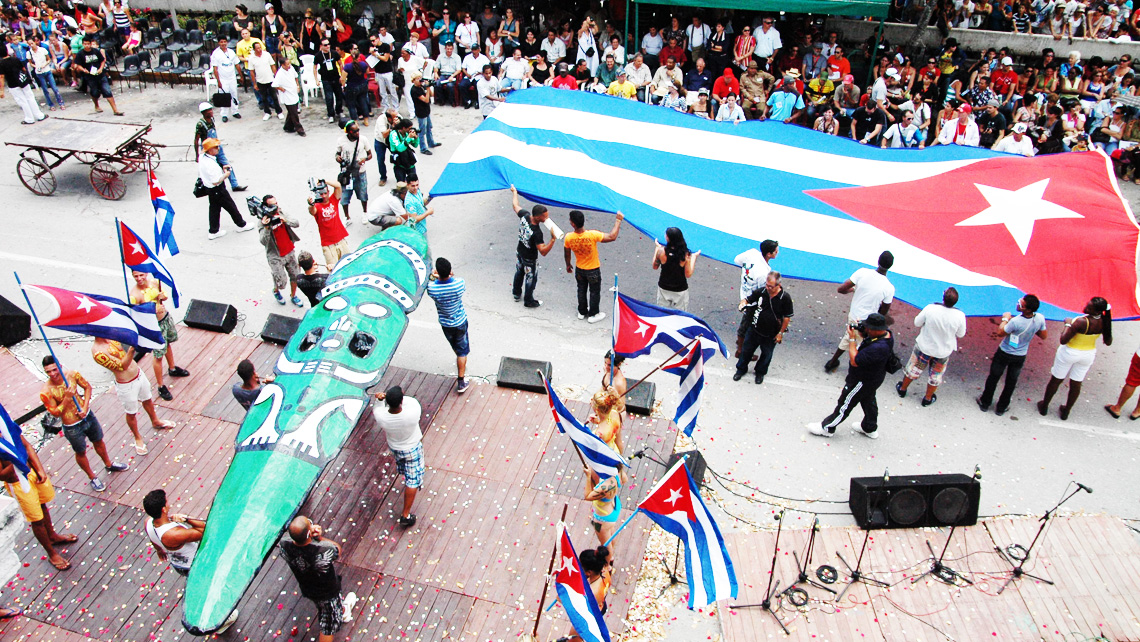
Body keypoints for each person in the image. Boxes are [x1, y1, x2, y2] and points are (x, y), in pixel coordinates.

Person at [39, 356, 128, 493]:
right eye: (48, 372)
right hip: (72, 426)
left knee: (99, 441)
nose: (52, 374)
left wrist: (85, 407)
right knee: (80, 451)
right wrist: (67, 399)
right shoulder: (46, 391)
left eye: (54, 370)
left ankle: (109, 464)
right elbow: (56, 413)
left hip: (87, 417)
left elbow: (87, 387)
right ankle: (92, 477)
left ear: (60, 366)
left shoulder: (72, 375)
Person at [810, 313, 894, 439]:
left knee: (846, 402)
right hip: (874, 378)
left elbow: (855, 360)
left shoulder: (878, 348)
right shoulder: (887, 335)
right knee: (868, 401)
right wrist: (863, 331)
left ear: (875, 330)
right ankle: (869, 427)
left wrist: (852, 339)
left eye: (868, 328)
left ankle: (827, 427)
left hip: (862, 380)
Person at [91, 336, 176, 455]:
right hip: (126, 384)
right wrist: (131, 350)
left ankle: (155, 421)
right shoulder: (98, 352)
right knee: (131, 413)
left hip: (138, 374)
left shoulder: (111, 336)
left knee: (148, 399)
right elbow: (122, 366)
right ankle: (137, 437)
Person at [0, 436, 76, 570]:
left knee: (43, 505)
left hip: (32, 474)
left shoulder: (6, 428)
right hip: (18, 484)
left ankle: (52, 536)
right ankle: (51, 553)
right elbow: (1, 475)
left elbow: (27, 446)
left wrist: (39, 468)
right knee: (37, 520)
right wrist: (16, 459)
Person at [1038, 297, 1113, 420]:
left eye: (1090, 307)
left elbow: (1063, 340)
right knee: (1076, 383)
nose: (1086, 307)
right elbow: (1108, 341)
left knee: (1056, 379)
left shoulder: (1081, 322)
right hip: (1088, 354)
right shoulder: (1105, 321)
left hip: (1069, 352)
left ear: (1097, 311)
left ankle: (1044, 406)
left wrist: (1068, 324)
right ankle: (1066, 411)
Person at [280, 516, 352, 642]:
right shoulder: (323, 550)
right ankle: (340, 612)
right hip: (328, 593)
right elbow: (337, 550)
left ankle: (341, 610)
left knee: (327, 607)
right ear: (309, 533)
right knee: (328, 625)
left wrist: (307, 536)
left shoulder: (284, 546)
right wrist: (319, 538)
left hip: (308, 588)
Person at [825, 252, 895, 374]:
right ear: (890, 266)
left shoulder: (862, 272)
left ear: (878, 260)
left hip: (854, 315)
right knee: (862, 344)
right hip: (869, 323)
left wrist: (853, 290)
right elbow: (884, 311)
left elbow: (842, 289)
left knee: (849, 336)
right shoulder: (889, 287)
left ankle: (833, 361)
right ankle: (855, 366)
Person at [895, 288, 967, 407]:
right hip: (943, 351)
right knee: (935, 375)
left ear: (943, 297)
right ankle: (927, 398)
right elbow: (960, 334)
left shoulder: (931, 308)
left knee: (913, 369)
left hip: (925, 346)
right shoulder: (960, 315)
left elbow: (917, 322)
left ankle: (902, 389)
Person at [978, 294, 1047, 416]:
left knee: (993, 377)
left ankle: (985, 402)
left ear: (1028, 309)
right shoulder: (1040, 318)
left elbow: (1000, 332)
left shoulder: (1015, 322)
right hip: (1020, 355)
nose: (1017, 305)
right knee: (1011, 382)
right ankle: (1001, 407)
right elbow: (1043, 335)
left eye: (1021, 305)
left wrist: (1005, 319)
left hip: (1004, 352)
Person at [129, 271, 189, 403]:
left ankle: (172, 368)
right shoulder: (135, 295)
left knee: (168, 344)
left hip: (165, 319)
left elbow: (163, 297)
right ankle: (161, 385)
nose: (139, 278)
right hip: (154, 326)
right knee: (158, 356)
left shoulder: (155, 282)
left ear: (146, 273)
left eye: (141, 275)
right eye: (136, 276)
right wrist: (151, 310)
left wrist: (163, 296)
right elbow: (135, 314)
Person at [371, 386, 423, 528]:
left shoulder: (381, 417)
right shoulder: (412, 411)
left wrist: (380, 400)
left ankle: (404, 472)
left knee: (404, 467)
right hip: (412, 448)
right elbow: (408, 401)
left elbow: (378, 408)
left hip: (395, 447)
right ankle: (405, 515)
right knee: (413, 479)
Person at [564, 210, 624, 323]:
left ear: (573, 224)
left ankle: (582, 312)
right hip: (593, 269)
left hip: (579, 269)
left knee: (581, 290)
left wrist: (568, 265)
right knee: (594, 292)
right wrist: (618, 220)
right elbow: (612, 236)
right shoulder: (592, 235)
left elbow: (567, 254)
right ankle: (593, 314)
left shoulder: (569, 237)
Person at [734, 271, 793, 385]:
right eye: (767, 285)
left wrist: (780, 333)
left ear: (778, 285)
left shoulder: (785, 298)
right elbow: (748, 299)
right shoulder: (762, 292)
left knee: (766, 354)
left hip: (771, 334)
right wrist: (743, 303)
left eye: (770, 286)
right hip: (755, 329)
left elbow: (786, 317)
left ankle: (760, 372)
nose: (768, 288)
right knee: (746, 351)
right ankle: (741, 369)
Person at [426, 258, 470, 394]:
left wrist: (434, 276)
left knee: (456, 347)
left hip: (446, 324)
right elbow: (456, 280)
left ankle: (459, 359)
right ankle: (461, 381)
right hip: (460, 322)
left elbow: (432, 282)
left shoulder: (432, 289)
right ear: (450, 270)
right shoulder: (459, 284)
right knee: (463, 351)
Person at [510, 185, 556, 308]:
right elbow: (543, 251)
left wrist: (514, 192)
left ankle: (516, 293)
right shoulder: (537, 232)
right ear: (537, 216)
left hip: (520, 251)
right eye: (544, 216)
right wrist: (552, 240)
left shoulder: (525, 216)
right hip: (530, 258)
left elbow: (515, 206)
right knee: (530, 278)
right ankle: (528, 301)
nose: (546, 218)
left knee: (519, 272)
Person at [197, 137, 251, 240]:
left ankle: (214, 230)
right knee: (231, 206)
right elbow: (216, 181)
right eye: (215, 147)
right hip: (217, 188)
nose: (218, 149)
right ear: (209, 150)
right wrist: (226, 174)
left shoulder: (203, 157)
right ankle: (241, 225)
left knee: (214, 209)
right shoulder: (210, 165)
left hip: (210, 189)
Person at [734, 239, 779, 358]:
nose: (777, 253)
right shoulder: (764, 273)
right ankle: (740, 350)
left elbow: (737, 260)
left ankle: (741, 345)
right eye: (775, 251)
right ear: (769, 254)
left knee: (747, 322)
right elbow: (761, 292)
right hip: (751, 302)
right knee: (747, 325)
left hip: (744, 293)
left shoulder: (752, 254)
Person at [256, 195, 302, 307]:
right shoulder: (262, 221)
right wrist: (267, 228)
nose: (276, 207)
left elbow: (296, 223)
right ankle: (276, 290)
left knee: (296, 276)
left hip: (289, 251)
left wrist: (285, 220)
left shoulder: (281, 213)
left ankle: (293, 295)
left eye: (276, 203)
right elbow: (263, 241)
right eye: (272, 205)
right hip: (275, 256)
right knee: (281, 283)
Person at [193, 103, 246, 192]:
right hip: (208, 149)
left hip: (216, 146)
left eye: (211, 110)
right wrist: (197, 155)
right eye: (208, 111)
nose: (211, 112)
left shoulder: (212, 119)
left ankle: (234, 185)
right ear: (204, 112)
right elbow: (196, 140)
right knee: (212, 168)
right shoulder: (200, 124)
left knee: (226, 164)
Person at [71, 34, 121, 115]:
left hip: (100, 75)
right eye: (85, 44)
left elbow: (102, 60)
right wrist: (83, 70)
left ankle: (115, 110)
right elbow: (78, 65)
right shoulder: (80, 54)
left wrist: (101, 69)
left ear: (90, 44)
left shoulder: (95, 51)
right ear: (83, 44)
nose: (87, 46)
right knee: (94, 92)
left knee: (107, 91)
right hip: (90, 76)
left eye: (88, 44)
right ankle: (96, 105)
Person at [652, 227, 699, 310]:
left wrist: (657, 248)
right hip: (680, 290)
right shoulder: (685, 254)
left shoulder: (661, 252)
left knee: (662, 314)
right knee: (681, 317)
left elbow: (655, 266)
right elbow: (688, 274)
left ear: (668, 238)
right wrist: (694, 257)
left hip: (664, 288)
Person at [336, 121, 372, 223]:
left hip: (360, 172)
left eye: (358, 130)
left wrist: (364, 159)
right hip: (347, 174)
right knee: (344, 197)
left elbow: (370, 154)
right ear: (348, 132)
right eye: (355, 131)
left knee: (363, 194)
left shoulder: (363, 139)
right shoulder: (341, 141)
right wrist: (338, 158)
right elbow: (337, 154)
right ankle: (347, 217)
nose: (357, 133)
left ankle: (365, 213)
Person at [308, 180, 349, 269]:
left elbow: (338, 185)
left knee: (349, 265)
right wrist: (311, 204)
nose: (324, 196)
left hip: (341, 240)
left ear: (328, 192)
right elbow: (312, 211)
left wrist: (324, 181)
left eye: (325, 193)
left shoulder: (333, 200)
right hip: (328, 245)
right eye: (321, 194)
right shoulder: (317, 206)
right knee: (333, 270)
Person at [210, 36, 242, 121]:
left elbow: (237, 64)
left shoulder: (231, 52)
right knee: (224, 97)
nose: (223, 43)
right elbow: (215, 69)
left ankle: (235, 111)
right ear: (218, 43)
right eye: (221, 42)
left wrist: (241, 76)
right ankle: (224, 115)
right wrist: (218, 81)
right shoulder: (216, 54)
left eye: (225, 41)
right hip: (223, 79)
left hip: (232, 78)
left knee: (234, 94)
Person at [272, 55, 305, 136]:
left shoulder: (291, 69)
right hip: (287, 96)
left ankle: (288, 126)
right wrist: (282, 89)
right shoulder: (280, 74)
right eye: (287, 64)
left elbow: (295, 76)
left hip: (294, 93)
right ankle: (299, 129)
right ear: (282, 65)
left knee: (291, 112)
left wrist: (297, 85)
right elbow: (275, 85)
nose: (289, 65)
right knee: (294, 113)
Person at [248, 41, 281, 120]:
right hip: (260, 81)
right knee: (264, 98)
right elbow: (252, 72)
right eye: (257, 48)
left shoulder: (267, 54)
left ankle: (279, 111)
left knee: (274, 97)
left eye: (260, 47)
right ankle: (267, 112)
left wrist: (276, 77)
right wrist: (254, 83)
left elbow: (273, 66)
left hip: (270, 79)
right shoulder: (251, 58)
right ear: (254, 49)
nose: (259, 50)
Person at [314, 39, 344, 123]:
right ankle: (331, 114)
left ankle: (339, 110)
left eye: (328, 44)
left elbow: (340, 63)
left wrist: (342, 76)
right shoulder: (318, 55)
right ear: (321, 46)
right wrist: (316, 79)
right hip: (326, 79)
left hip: (335, 77)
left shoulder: (334, 53)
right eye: (325, 45)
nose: (327, 46)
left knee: (339, 95)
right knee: (329, 97)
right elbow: (315, 67)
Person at [409, 72, 439, 154]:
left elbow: (431, 95)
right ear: (413, 80)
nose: (420, 80)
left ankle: (431, 142)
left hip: (426, 110)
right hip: (421, 112)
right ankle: (423, 148)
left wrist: (428, 87)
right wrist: (428, 88)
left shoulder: (421, 87)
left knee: (429, 128)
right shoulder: (414, 90)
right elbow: (426, 100)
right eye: (417, 79)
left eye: (420, 78)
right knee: (422, 131)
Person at [387, 118, 419, 184]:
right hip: (399, 163)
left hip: (409, 160)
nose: (410, 130)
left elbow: (415, 145)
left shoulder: (407, 133)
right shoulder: (393, 134)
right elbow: (400, 148)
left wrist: (416, 138)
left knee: (413, 182)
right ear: (404, 128)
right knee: (401, 185)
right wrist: (408, 138)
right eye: (409, 128)